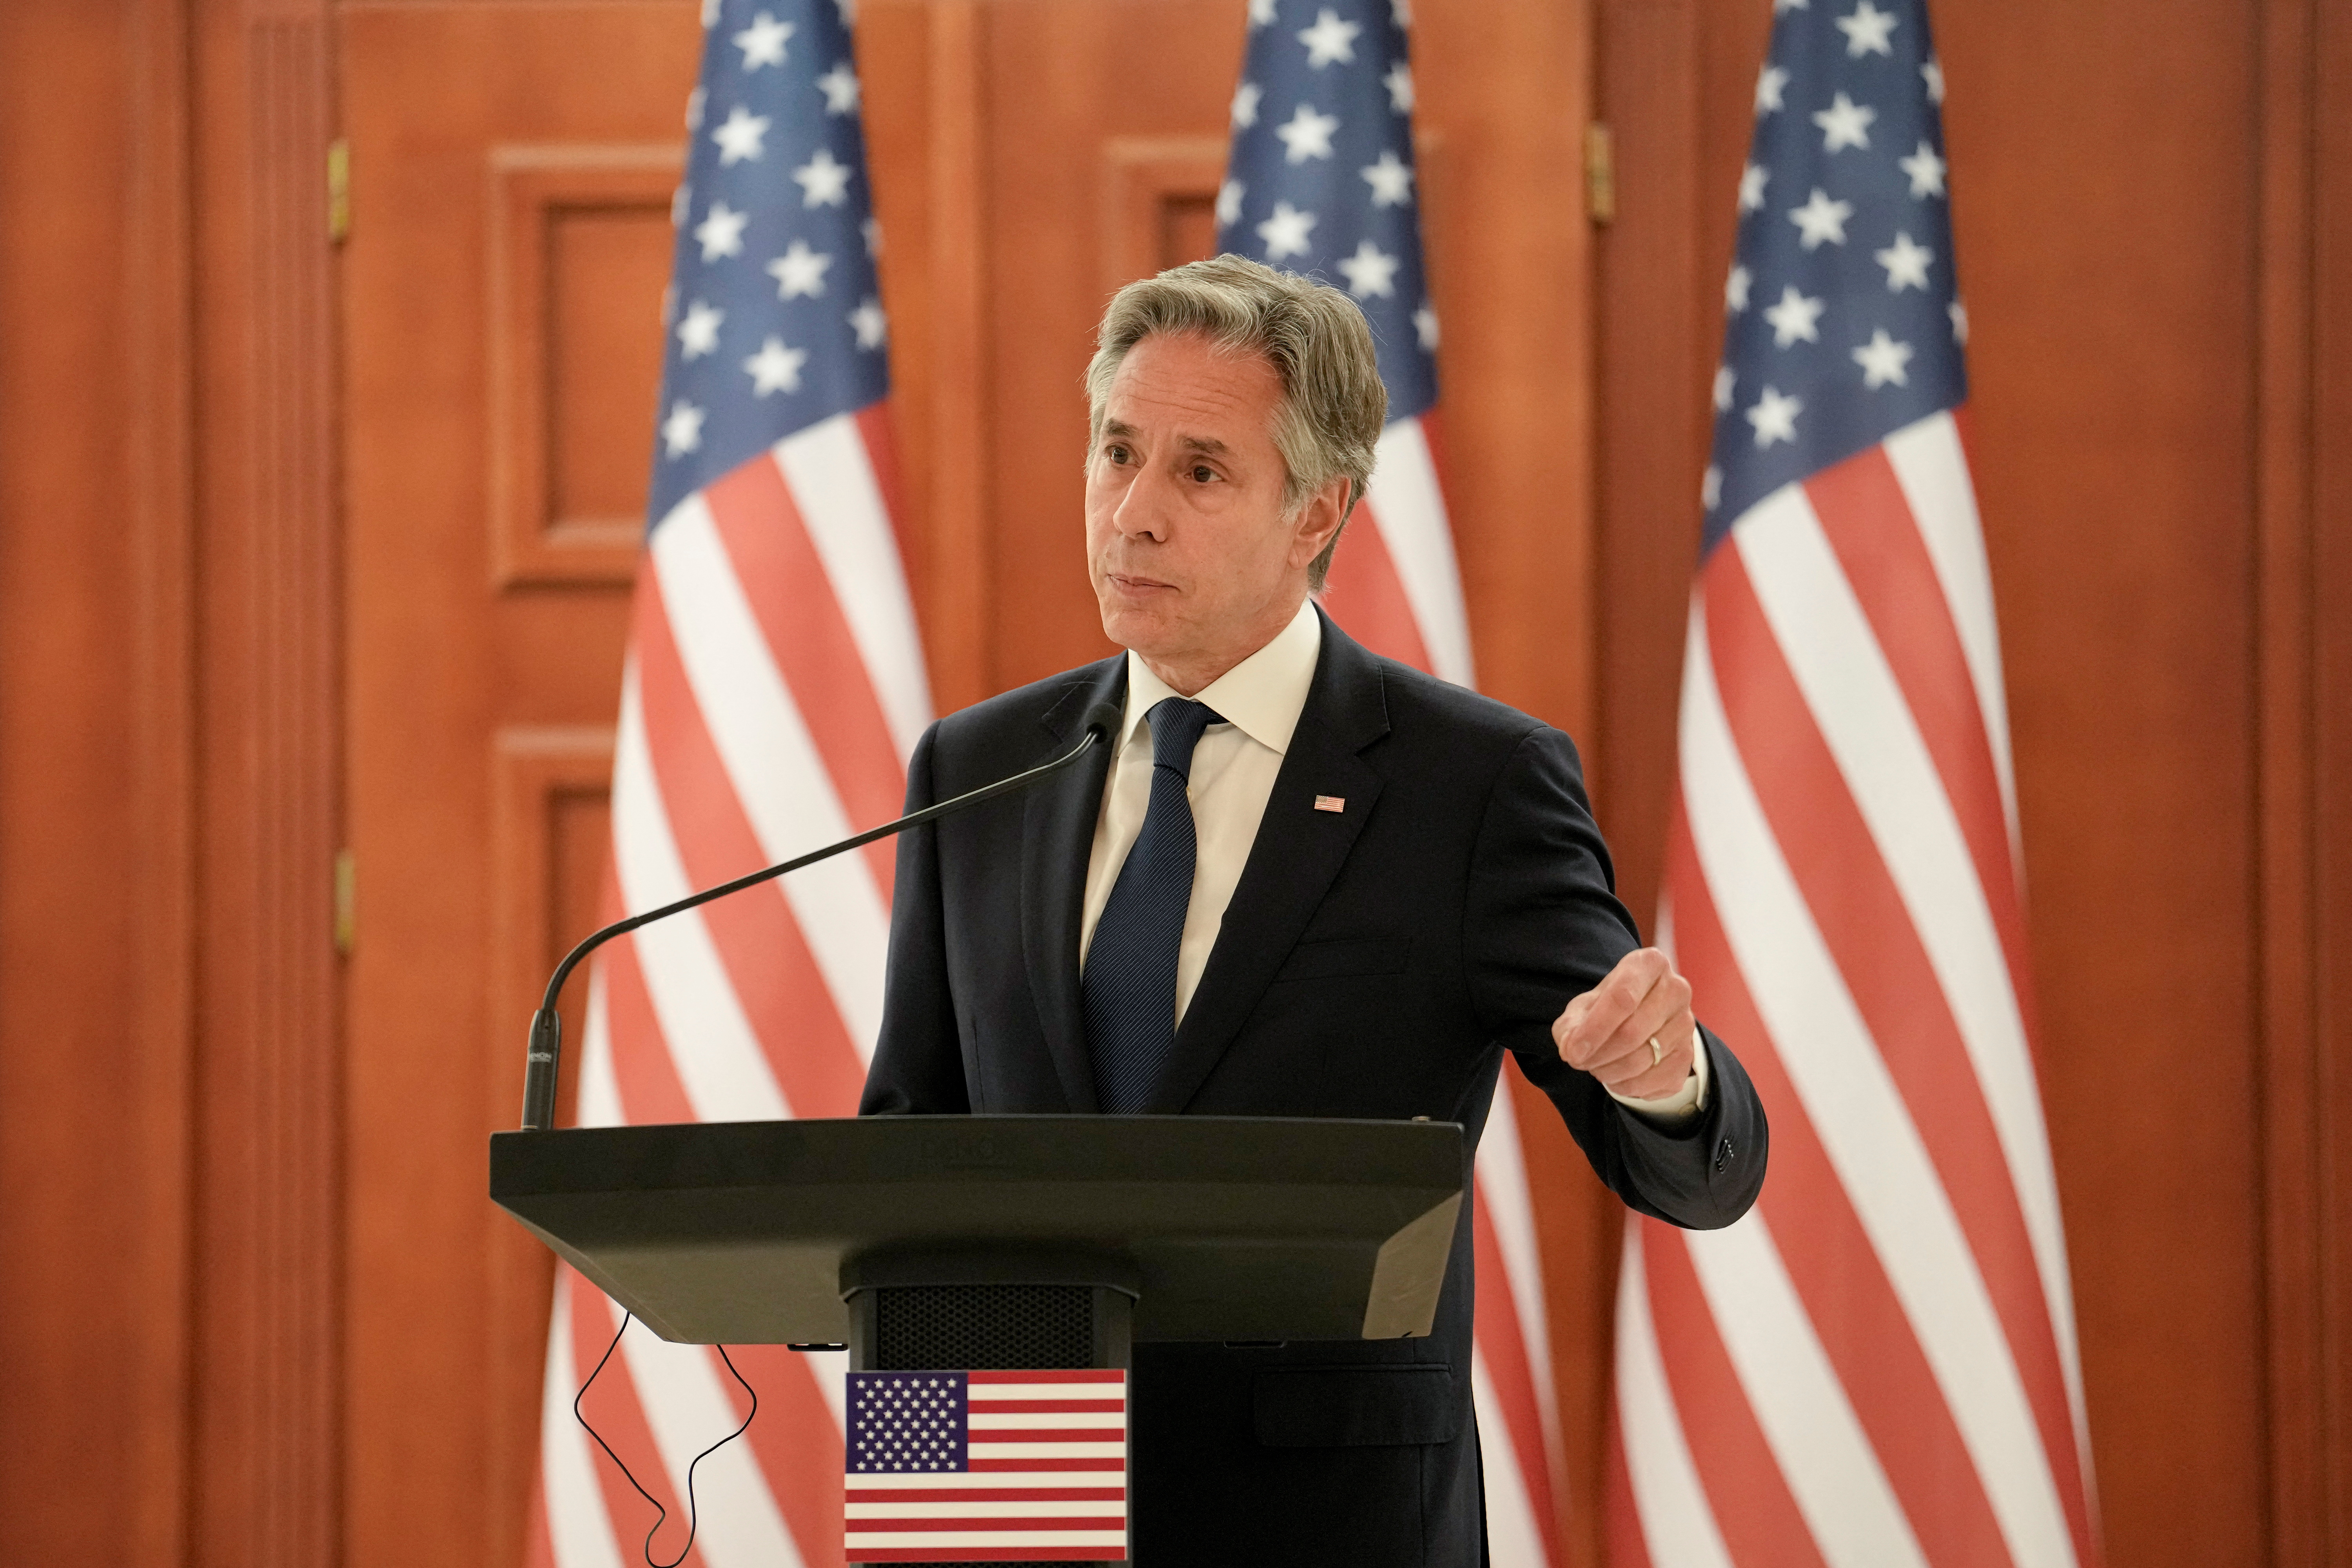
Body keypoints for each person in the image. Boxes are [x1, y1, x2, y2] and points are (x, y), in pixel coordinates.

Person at [862, 254, 1766, 1566]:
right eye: (1116, 453)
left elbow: (1694, 1174)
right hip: (1000, 1499)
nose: (1133, 513)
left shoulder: (1470, 785)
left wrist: (1663, 1075)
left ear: (1316, 511)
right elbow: (913, 1139)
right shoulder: (979, 766)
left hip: (1318, 1519)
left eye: (1201, 471)